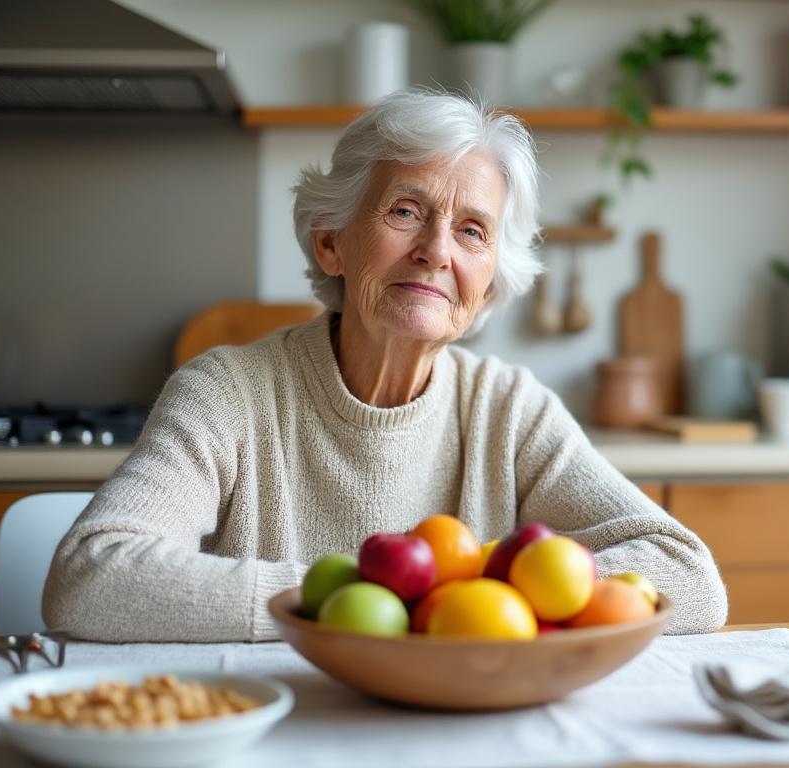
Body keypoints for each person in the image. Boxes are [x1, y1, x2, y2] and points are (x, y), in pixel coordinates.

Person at [43, 89, 729, 642]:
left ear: (486, 284)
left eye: (471, 230)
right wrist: (373, 604)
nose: (436, 250)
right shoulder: (226, 393)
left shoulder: (510, 408)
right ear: (332, 243)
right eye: (406, 210)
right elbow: (89, 577)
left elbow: (689, 575)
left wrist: (470, 597)